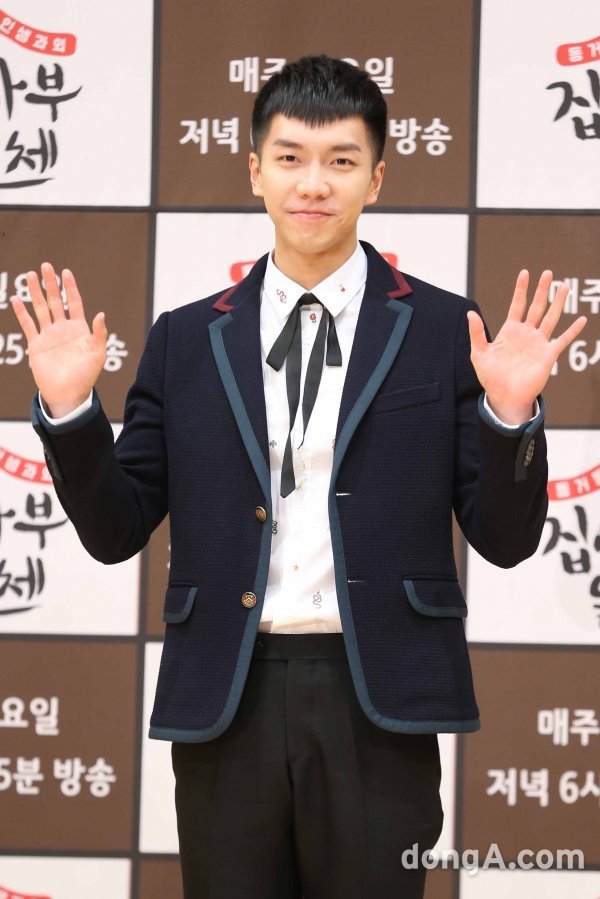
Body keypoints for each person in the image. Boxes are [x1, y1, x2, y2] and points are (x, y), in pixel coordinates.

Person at [11, 55, 587, 899]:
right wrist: (70, 412)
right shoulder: (186, 339)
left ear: (376, 177)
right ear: (255, 170)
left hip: (379, 694)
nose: (313, 183)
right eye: (289, 157)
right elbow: (114, 529)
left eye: (341, 160)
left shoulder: (442, 329)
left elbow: (503, 538)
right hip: (228, 691)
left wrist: (509, 415)